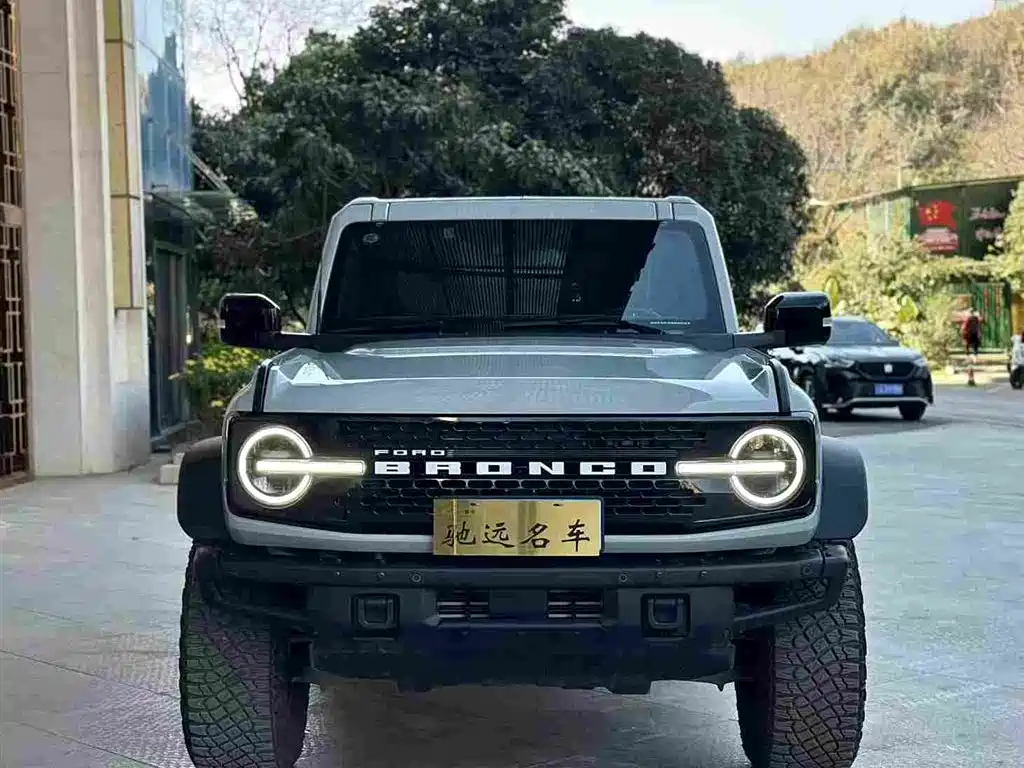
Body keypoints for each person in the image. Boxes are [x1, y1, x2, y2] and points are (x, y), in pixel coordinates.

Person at [961, 308, 983, 386]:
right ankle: (971, 379)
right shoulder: (976, 320)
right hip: (974, 340)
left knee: (970, 360)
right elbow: (979, 330)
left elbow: (963, 330)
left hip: (969, 340)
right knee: (972, 358)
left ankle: (971, 379)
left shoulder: (967, 320)